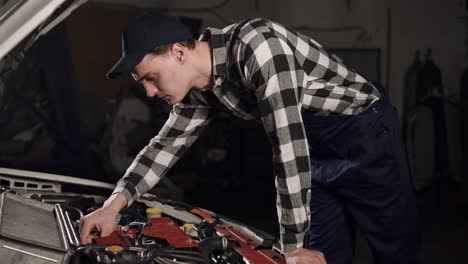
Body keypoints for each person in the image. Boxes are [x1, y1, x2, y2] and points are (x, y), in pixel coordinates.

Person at [79, 13, 420, 264]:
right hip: (312, 150)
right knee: (320, 257)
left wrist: (291, 245)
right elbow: (164, 147)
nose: (150, 92)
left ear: (180, 53)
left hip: (362, 133)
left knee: (394, 250)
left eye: (151, 78)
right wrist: (113, 205)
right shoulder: (198, 90)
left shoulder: (260, 47)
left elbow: (287, 147)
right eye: (144, 83)